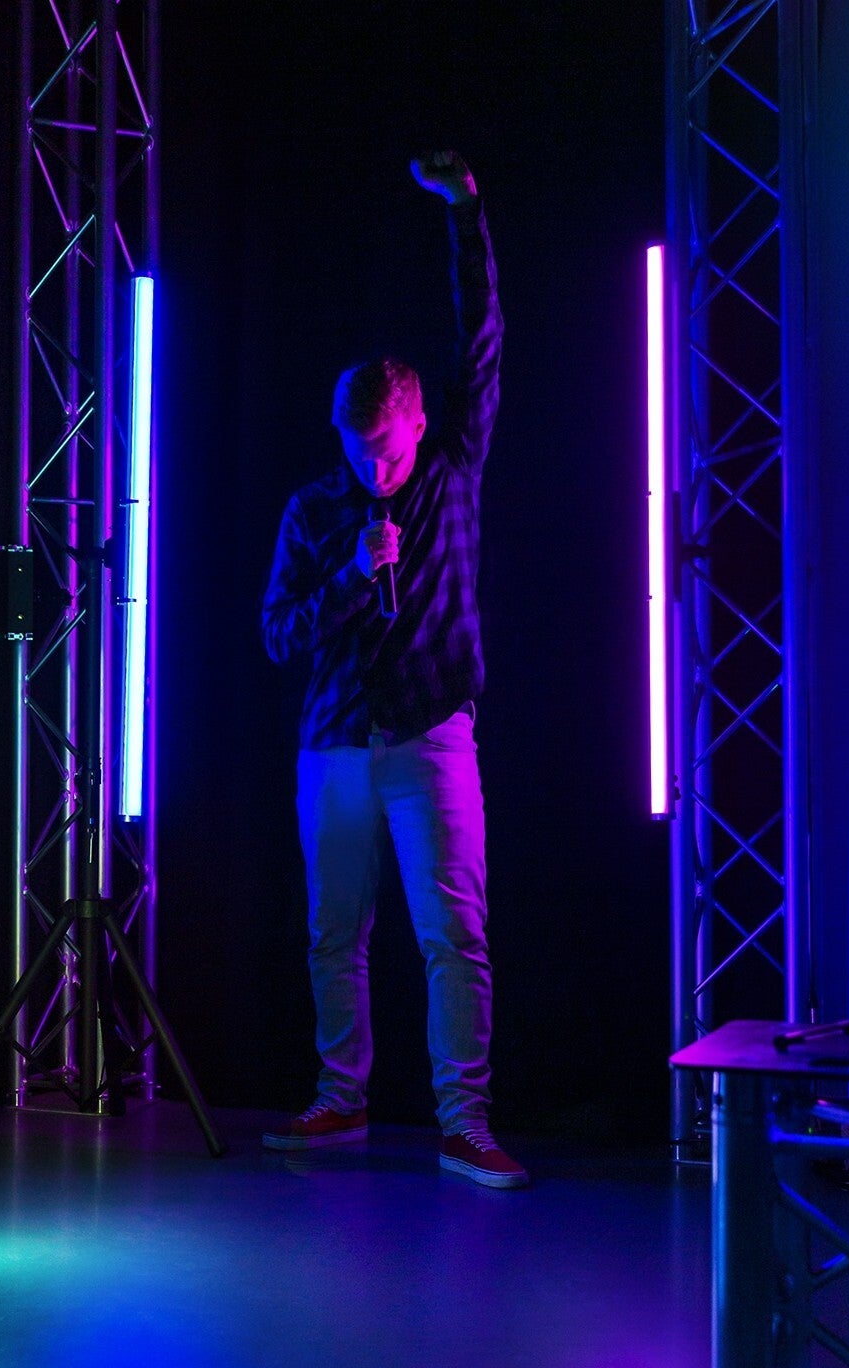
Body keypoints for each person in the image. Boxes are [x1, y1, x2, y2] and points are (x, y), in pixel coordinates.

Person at [259, 150, 525, 1189]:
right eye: (359, 448)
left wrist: (465, 211)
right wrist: (346, 577)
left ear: (416, 424)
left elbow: (483, 344)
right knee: (335, 933)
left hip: (430, 733)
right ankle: (341, 1098)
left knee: (454, 933)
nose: (376, 466)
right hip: (332, 745)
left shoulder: (451, 470)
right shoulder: (314, 511)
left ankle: (465, 1121)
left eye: (389, 447)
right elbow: (276, 635)